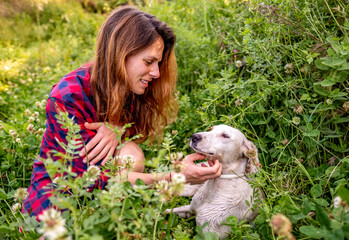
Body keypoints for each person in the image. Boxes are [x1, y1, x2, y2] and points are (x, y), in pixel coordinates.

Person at [22, 5, 222, 218]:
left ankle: (113, 217)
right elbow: (87, 180)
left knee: (132, 153)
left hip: (103, 194)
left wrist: (117, 127)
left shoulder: (130, 87)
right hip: (59, 190)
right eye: (148, 62)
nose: (155, 72)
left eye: (159, 63)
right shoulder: (68, 96)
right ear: (121, 54)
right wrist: (175, 177)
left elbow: (117, 164)